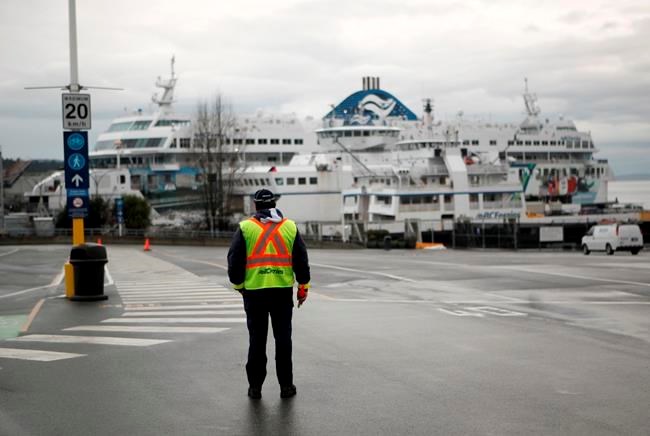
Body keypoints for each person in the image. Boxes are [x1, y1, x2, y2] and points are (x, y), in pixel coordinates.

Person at [227, 188, 311, 400]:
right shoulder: (290, 227)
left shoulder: (245, 228)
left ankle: (255, 388)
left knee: (257, 340)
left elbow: (234, 261)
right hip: (282, 293)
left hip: (254, 293)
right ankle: (286, 387)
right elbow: (301, 260)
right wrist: (303, 286)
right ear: (274, 204)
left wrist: (239, 286)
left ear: (255, 206)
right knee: (283, 340)